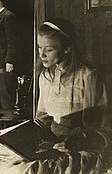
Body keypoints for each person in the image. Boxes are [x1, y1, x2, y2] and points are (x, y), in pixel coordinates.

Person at [8, 18, 112, 173]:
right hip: (52, 146)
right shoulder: (44, 76)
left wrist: (76, 141)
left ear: (66, 48)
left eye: (49, 49)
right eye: (39, 47)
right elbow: (42, 119)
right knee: (14, 166)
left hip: (81, 148)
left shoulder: (87, 76)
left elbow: (102, 127)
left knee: (32, 170)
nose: (42, 54)